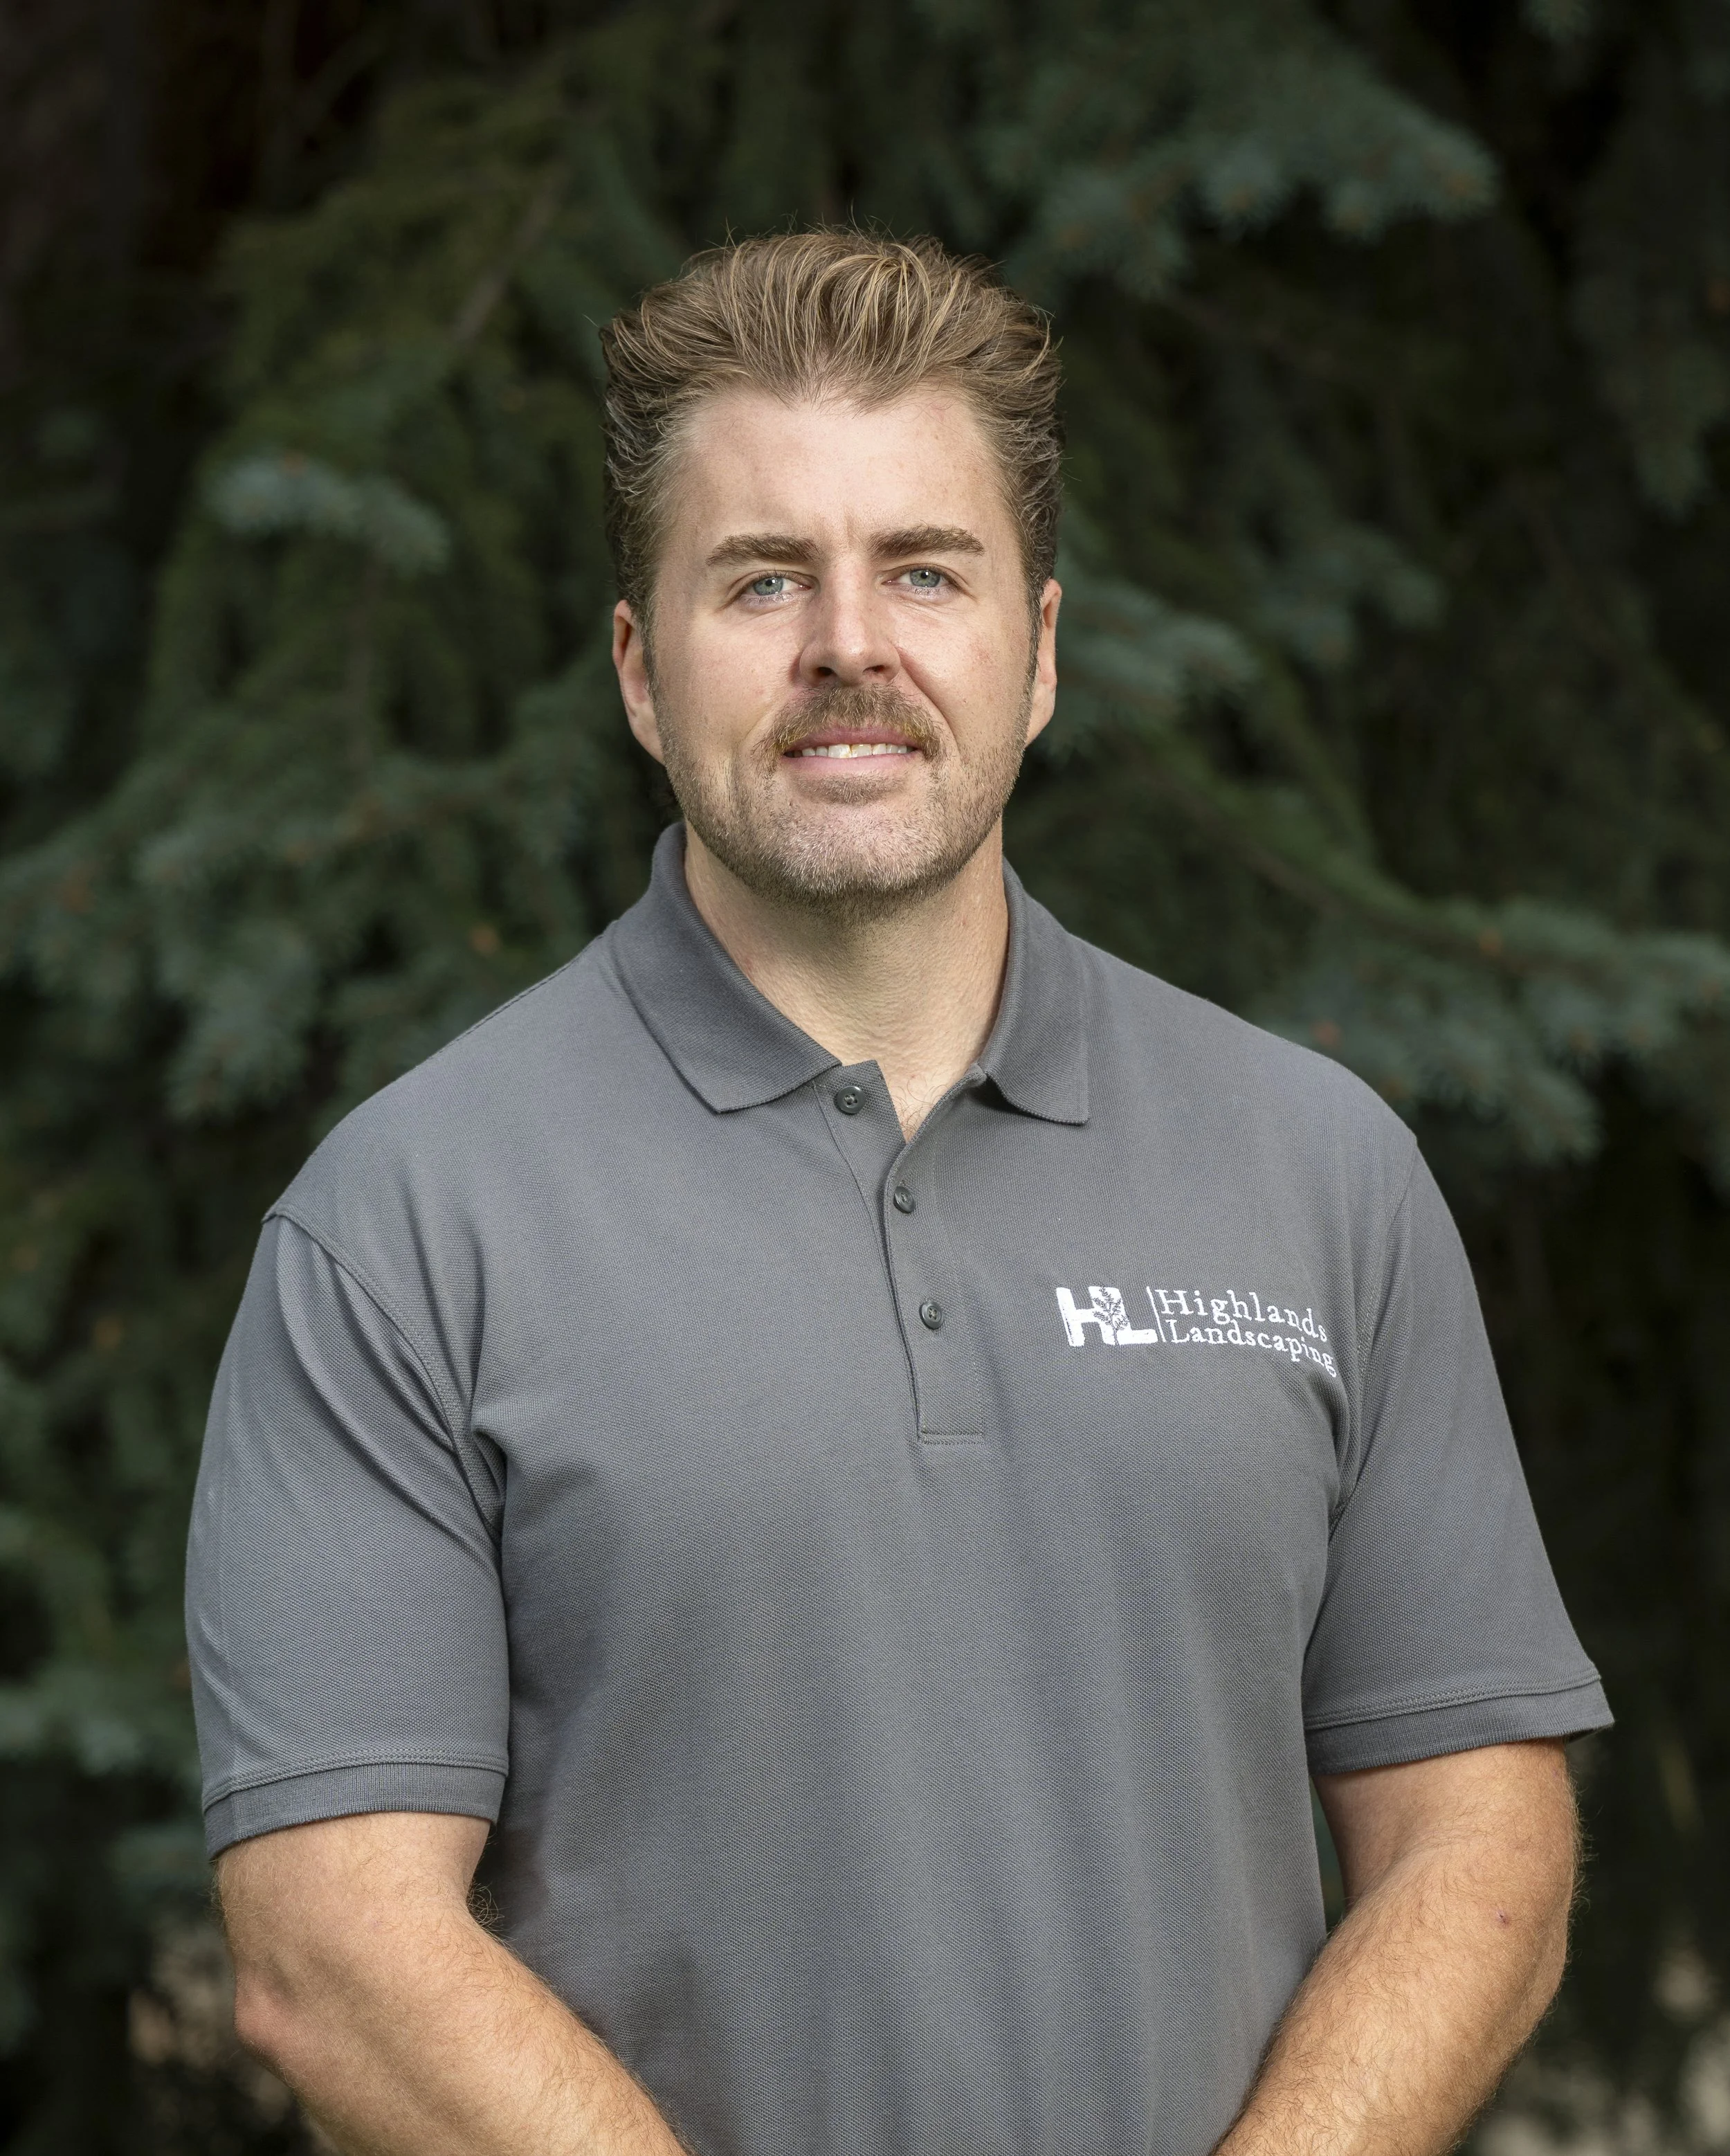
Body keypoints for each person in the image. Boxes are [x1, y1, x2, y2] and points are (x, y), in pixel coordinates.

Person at [188, 230, 1611, 2156]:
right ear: (636, 669)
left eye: (920, 571)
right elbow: (328, 1946)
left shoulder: (1315, 1170)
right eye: (760, 577)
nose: (845, 644)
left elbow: (1477, 1827)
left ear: (1034, 654)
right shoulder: (409, 1225)